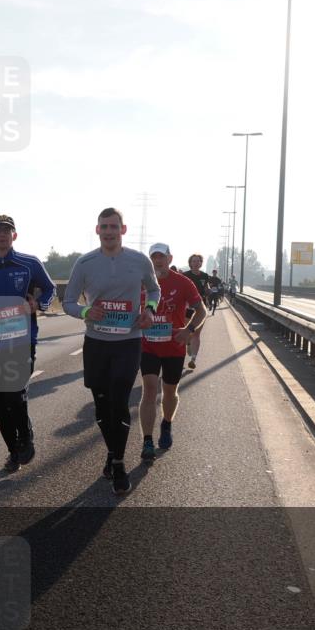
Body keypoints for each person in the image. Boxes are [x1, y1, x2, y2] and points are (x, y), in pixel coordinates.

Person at [63, 207, 161, 495]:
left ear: (123, 230)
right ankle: (113, 449)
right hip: (96, 343)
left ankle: (118, 463)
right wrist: (84, 311)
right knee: (102, 406)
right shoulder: (85, 263)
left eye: (113, 227)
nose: (109, 232)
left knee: (119, 401)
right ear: (97, 230)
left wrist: (150, 311)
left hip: (128, 342)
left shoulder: (139, 260)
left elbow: (154, 291)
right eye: (104, 227)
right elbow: (67, 301)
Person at [0, 215, 56, 472]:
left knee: (15, 393)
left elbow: (50, 289)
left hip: (23, 340)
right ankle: (13, 450)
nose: (3, 235)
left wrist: (37, 304)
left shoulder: (29, 264)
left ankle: (26, 438)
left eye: (8, 231)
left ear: (14, 236)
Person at [139, 243, 206, 459]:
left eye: (162, 257)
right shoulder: (140, 282)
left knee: (169, 391)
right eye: (154, 257)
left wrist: (189, 331)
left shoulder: (183, 283)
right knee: (149, 389)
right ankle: (147, 441)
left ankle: (166, 424)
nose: (158, 261)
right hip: (148, 345)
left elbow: (201, 310)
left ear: (170, 258)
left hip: (174, 347)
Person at [182, 254, 211, 369]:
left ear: (201, 263)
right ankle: (188, 342)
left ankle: (193, 359)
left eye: (198, 261)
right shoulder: (185, 276)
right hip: (188, 308)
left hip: (200, 308)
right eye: (194, 261)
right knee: (188, 331)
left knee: (197, 333)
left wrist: (208, 291)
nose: (196, 263)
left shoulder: (205, 276)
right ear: (190, 263)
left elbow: (206, 288)